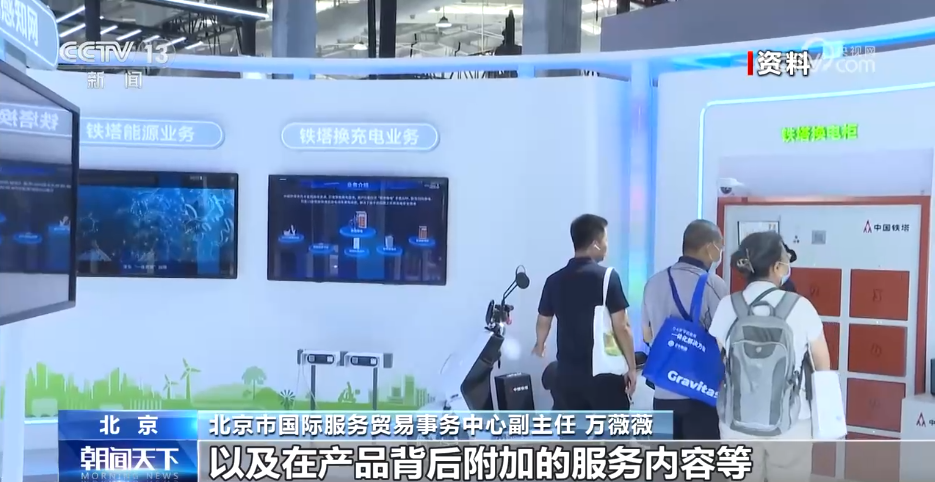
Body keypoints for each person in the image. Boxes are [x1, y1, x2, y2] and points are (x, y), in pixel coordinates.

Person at [708, 231, 832, 481]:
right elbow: (822, 364)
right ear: (777, 266)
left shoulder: (728, 306)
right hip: (791, 421)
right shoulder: (800, 306)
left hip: (736, 420)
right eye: (786, 259)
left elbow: (719, 356)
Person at [531, 214, 637, 410]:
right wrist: (631, 367)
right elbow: (622, 327)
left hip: (567, 376)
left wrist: (540, 344)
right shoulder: (608, 277)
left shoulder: (554, 280)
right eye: (605, 240)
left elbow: (543, 321)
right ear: (595, 243)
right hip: (604, 377)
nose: (606, 246)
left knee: (572, 429)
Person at [641, 219, 728, 440]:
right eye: (720, 246)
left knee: (666, 458)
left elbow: (647, 335)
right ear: (709, 247)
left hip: (663, 391)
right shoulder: (714, 284)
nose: (720, 252)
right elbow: (726, 338)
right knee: (700, 458)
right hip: (700, 393)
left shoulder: (653, 282)